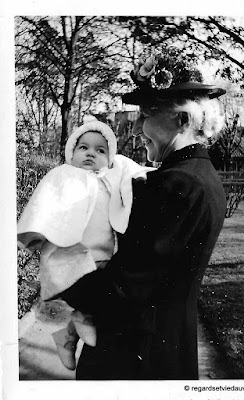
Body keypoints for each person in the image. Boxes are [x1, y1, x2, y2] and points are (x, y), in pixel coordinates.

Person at [50, 45, 227, 380]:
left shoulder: (178, 185)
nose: (134, 130)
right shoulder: (199, 178)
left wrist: (61, 278)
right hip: (163, 350)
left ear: (182, 120)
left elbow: (125, 287)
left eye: (145, 117)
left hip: (134, 359)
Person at [17, 118, 152, 370]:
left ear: (110, 157)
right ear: (71, 152)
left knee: (98, 289)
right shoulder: (62, 175)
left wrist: (144, 175)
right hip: (65, 251)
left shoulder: (112, 175)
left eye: (101, 150)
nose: (91, 153)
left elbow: (133, 169)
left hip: (101, 253)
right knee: (70, 290)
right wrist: (34, 234)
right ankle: (69, 331)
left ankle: (69, 331)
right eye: (83, 148)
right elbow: (42, 205)